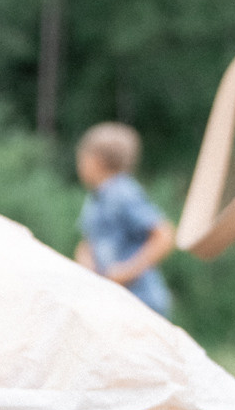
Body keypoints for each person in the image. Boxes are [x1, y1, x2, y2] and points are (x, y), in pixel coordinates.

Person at [73, 121, 175, 316]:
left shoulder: (123, 193)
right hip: (113, 301)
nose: (79, 165)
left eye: (82, 158)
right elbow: (89, 242)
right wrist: (85, 264)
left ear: (98, 160)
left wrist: (127, 271)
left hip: (141, 301)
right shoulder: (96, 197)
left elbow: (164, 235)